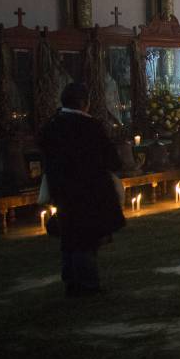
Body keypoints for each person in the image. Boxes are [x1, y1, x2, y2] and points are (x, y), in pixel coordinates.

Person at [39, 82, 125, 297]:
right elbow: (111, 159)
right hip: (89, 190)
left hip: (63, 189)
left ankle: (70, 280)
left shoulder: (51, 126)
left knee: (69, 234)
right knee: (86, 238)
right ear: (83, 103)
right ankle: (87, 284)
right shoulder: (90, 127)